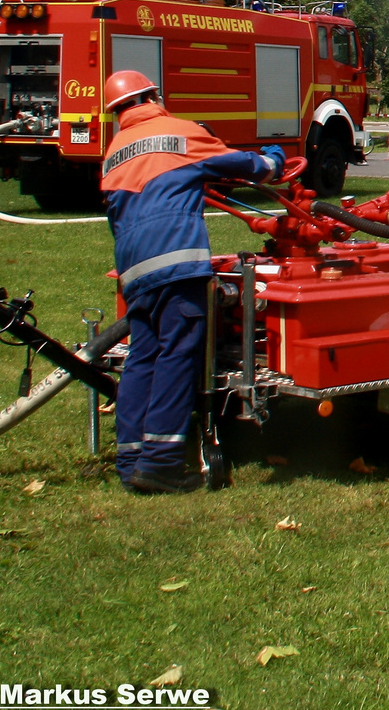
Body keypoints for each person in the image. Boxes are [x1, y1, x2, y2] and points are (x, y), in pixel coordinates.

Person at [99, 70, 282, 494]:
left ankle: (130, 460)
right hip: (177, 263)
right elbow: (245, 166)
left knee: (142, 359)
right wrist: (273, 160)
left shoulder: (113, 153)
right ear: (153, 96)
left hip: (133, 269)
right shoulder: (180, 133)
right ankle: (162, 463)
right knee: (177, 355)